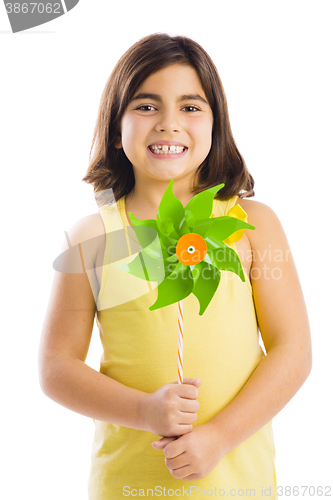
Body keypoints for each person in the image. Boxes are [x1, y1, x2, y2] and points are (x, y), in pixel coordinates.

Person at [38, 33, 312, 499]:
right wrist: (146, 411)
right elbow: (56, 367)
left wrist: (220, 436)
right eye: (146, 107)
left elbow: (293, 351)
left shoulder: (251, 225)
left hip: (236, 484)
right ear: (115, 127)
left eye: (190, 107)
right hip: (128, 484)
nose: (168, 124)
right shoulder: (92, 238)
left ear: (216, 124)